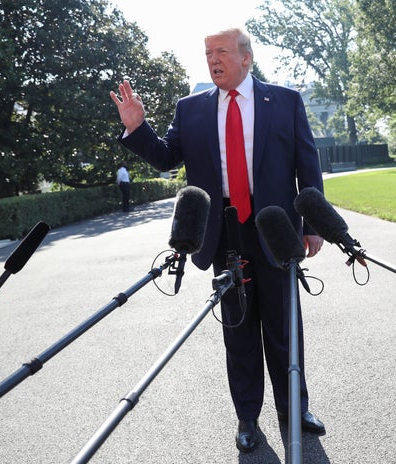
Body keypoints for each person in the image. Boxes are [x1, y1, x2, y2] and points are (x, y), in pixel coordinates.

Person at [109, 28, 326, 453]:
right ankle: (247, 417)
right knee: (239, 331)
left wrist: (313, 224)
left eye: (222, 51)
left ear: (246, 57)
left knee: (285, 326)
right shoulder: (190, 109)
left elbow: (307, 162)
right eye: (208, 52)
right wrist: (137, 128)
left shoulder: (284, 101)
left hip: (275, 227)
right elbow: (167, 157)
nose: (213, 58)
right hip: (224, 230)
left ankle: (294, 409)